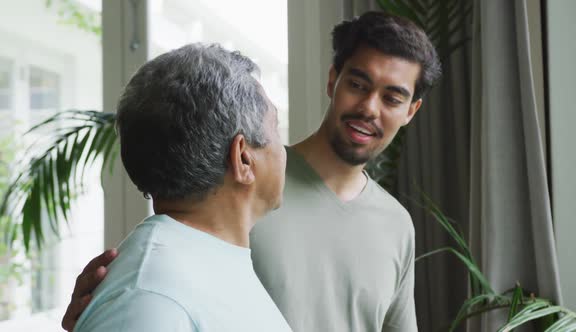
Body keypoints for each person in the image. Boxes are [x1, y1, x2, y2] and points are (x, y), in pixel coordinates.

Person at [63, 11, 441, 332]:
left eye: (392, 97)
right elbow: (151, 298)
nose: (370, 108)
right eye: (358, 84)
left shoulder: (396, 225)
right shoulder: (226, 202)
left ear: (411, 110)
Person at [72, 44, 291, 332]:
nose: (283, 147)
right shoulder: (151, 299)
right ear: (243, 158)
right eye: (276, 128)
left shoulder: (193, 269)